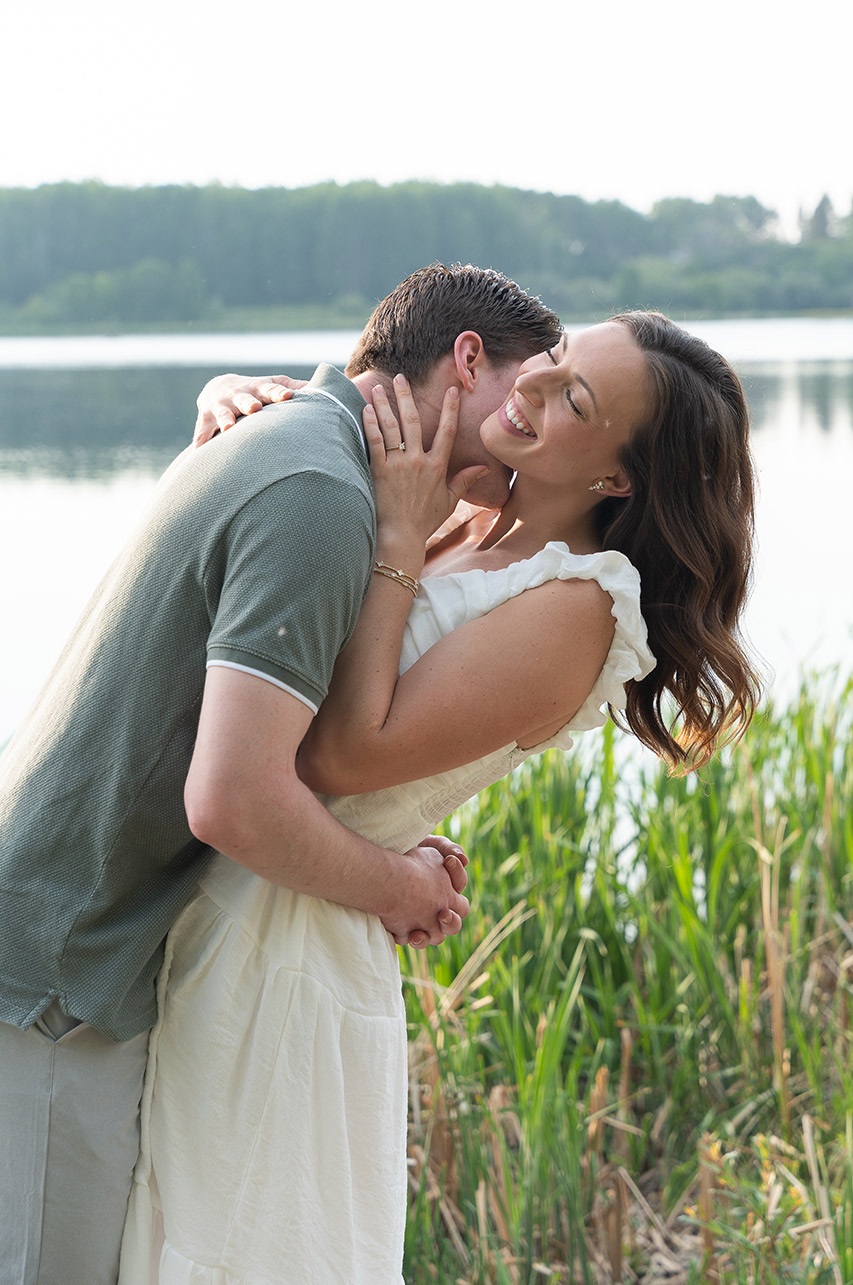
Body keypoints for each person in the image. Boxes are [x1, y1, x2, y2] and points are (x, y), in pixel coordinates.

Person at [117, 312, 760, 1282]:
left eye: (573, 400)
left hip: (291, 952)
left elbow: (339, 751)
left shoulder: (579, 611)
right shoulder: (469, 510)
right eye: (551, 364)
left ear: (616, 478)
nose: (533, 392)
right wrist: (238, 410)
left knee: (246, 1245)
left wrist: (396, 538)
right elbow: (331, 455)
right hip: (234, 896)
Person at [0, 263, 563, 1285]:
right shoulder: (317, 490)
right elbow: (234, 796)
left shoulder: (297, 440)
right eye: (530, 396)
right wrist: (397, 886)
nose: (535, 439)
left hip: (73, 957)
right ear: (466, 362)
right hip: (51, 977)